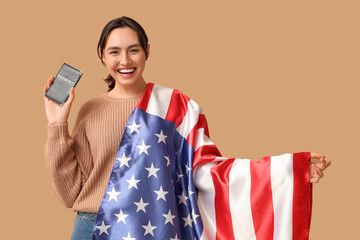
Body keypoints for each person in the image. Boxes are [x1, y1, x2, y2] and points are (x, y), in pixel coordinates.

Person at [44, 16, 331, 240]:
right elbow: (71, 194)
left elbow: (210, 171)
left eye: (133, 50)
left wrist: (287, 170)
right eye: (115, 52)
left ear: (146, 51)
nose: (125, 61)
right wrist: (57, 123)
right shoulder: (90, 110)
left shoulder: (175, 107)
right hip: (92, 228)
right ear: (102, 56)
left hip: (152, 228)